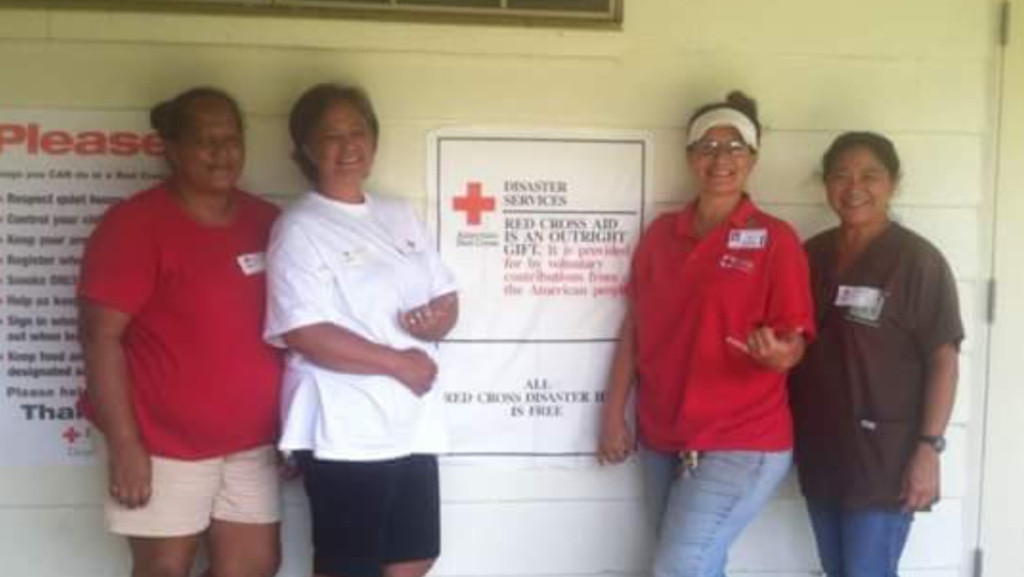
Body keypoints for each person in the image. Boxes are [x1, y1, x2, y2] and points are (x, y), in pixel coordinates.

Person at [598, 91, 816, 577]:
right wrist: (613, 414)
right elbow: (635, 328)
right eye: (708, 146)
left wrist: (779, 354)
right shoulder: (661, 235)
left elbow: (795, 341)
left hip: (741, 439)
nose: (721, 159)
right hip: (663, 435)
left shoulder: (775, 239)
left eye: (735, 147)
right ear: (690, 157)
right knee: (699, 564)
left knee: (679, 569)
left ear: (754, 158)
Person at [77, 87, 284, 577]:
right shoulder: (135, 224)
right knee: (165, 569)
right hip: (161, 443)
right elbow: (98, 336)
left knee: (255, 567)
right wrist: (126, 445)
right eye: (204, 141)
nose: (221, 153)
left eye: (231, 139)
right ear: (169, 149)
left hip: (252, 442)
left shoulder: (267, 221)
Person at [264, 83, 458, 577]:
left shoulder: (397, 213)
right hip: (345, 425)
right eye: (331, 136)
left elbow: (445, 294)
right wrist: (401, 363)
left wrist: (440, 317)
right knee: (349, 565)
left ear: (373, 139)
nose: (348, 146)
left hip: (409, 421)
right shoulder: (300, 226)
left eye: (358, 131)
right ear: (306, 149)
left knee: (415, 554)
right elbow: (303, 330)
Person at [789, 132, 963, 577]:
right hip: (822, 452)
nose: (854, 188)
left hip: (885, 458)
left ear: (893, 184)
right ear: (826, 183)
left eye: (870, 176)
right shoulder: (811, 255)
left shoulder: (917, 261)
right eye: (841, 176)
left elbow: (944, 358)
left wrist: (929, 450)